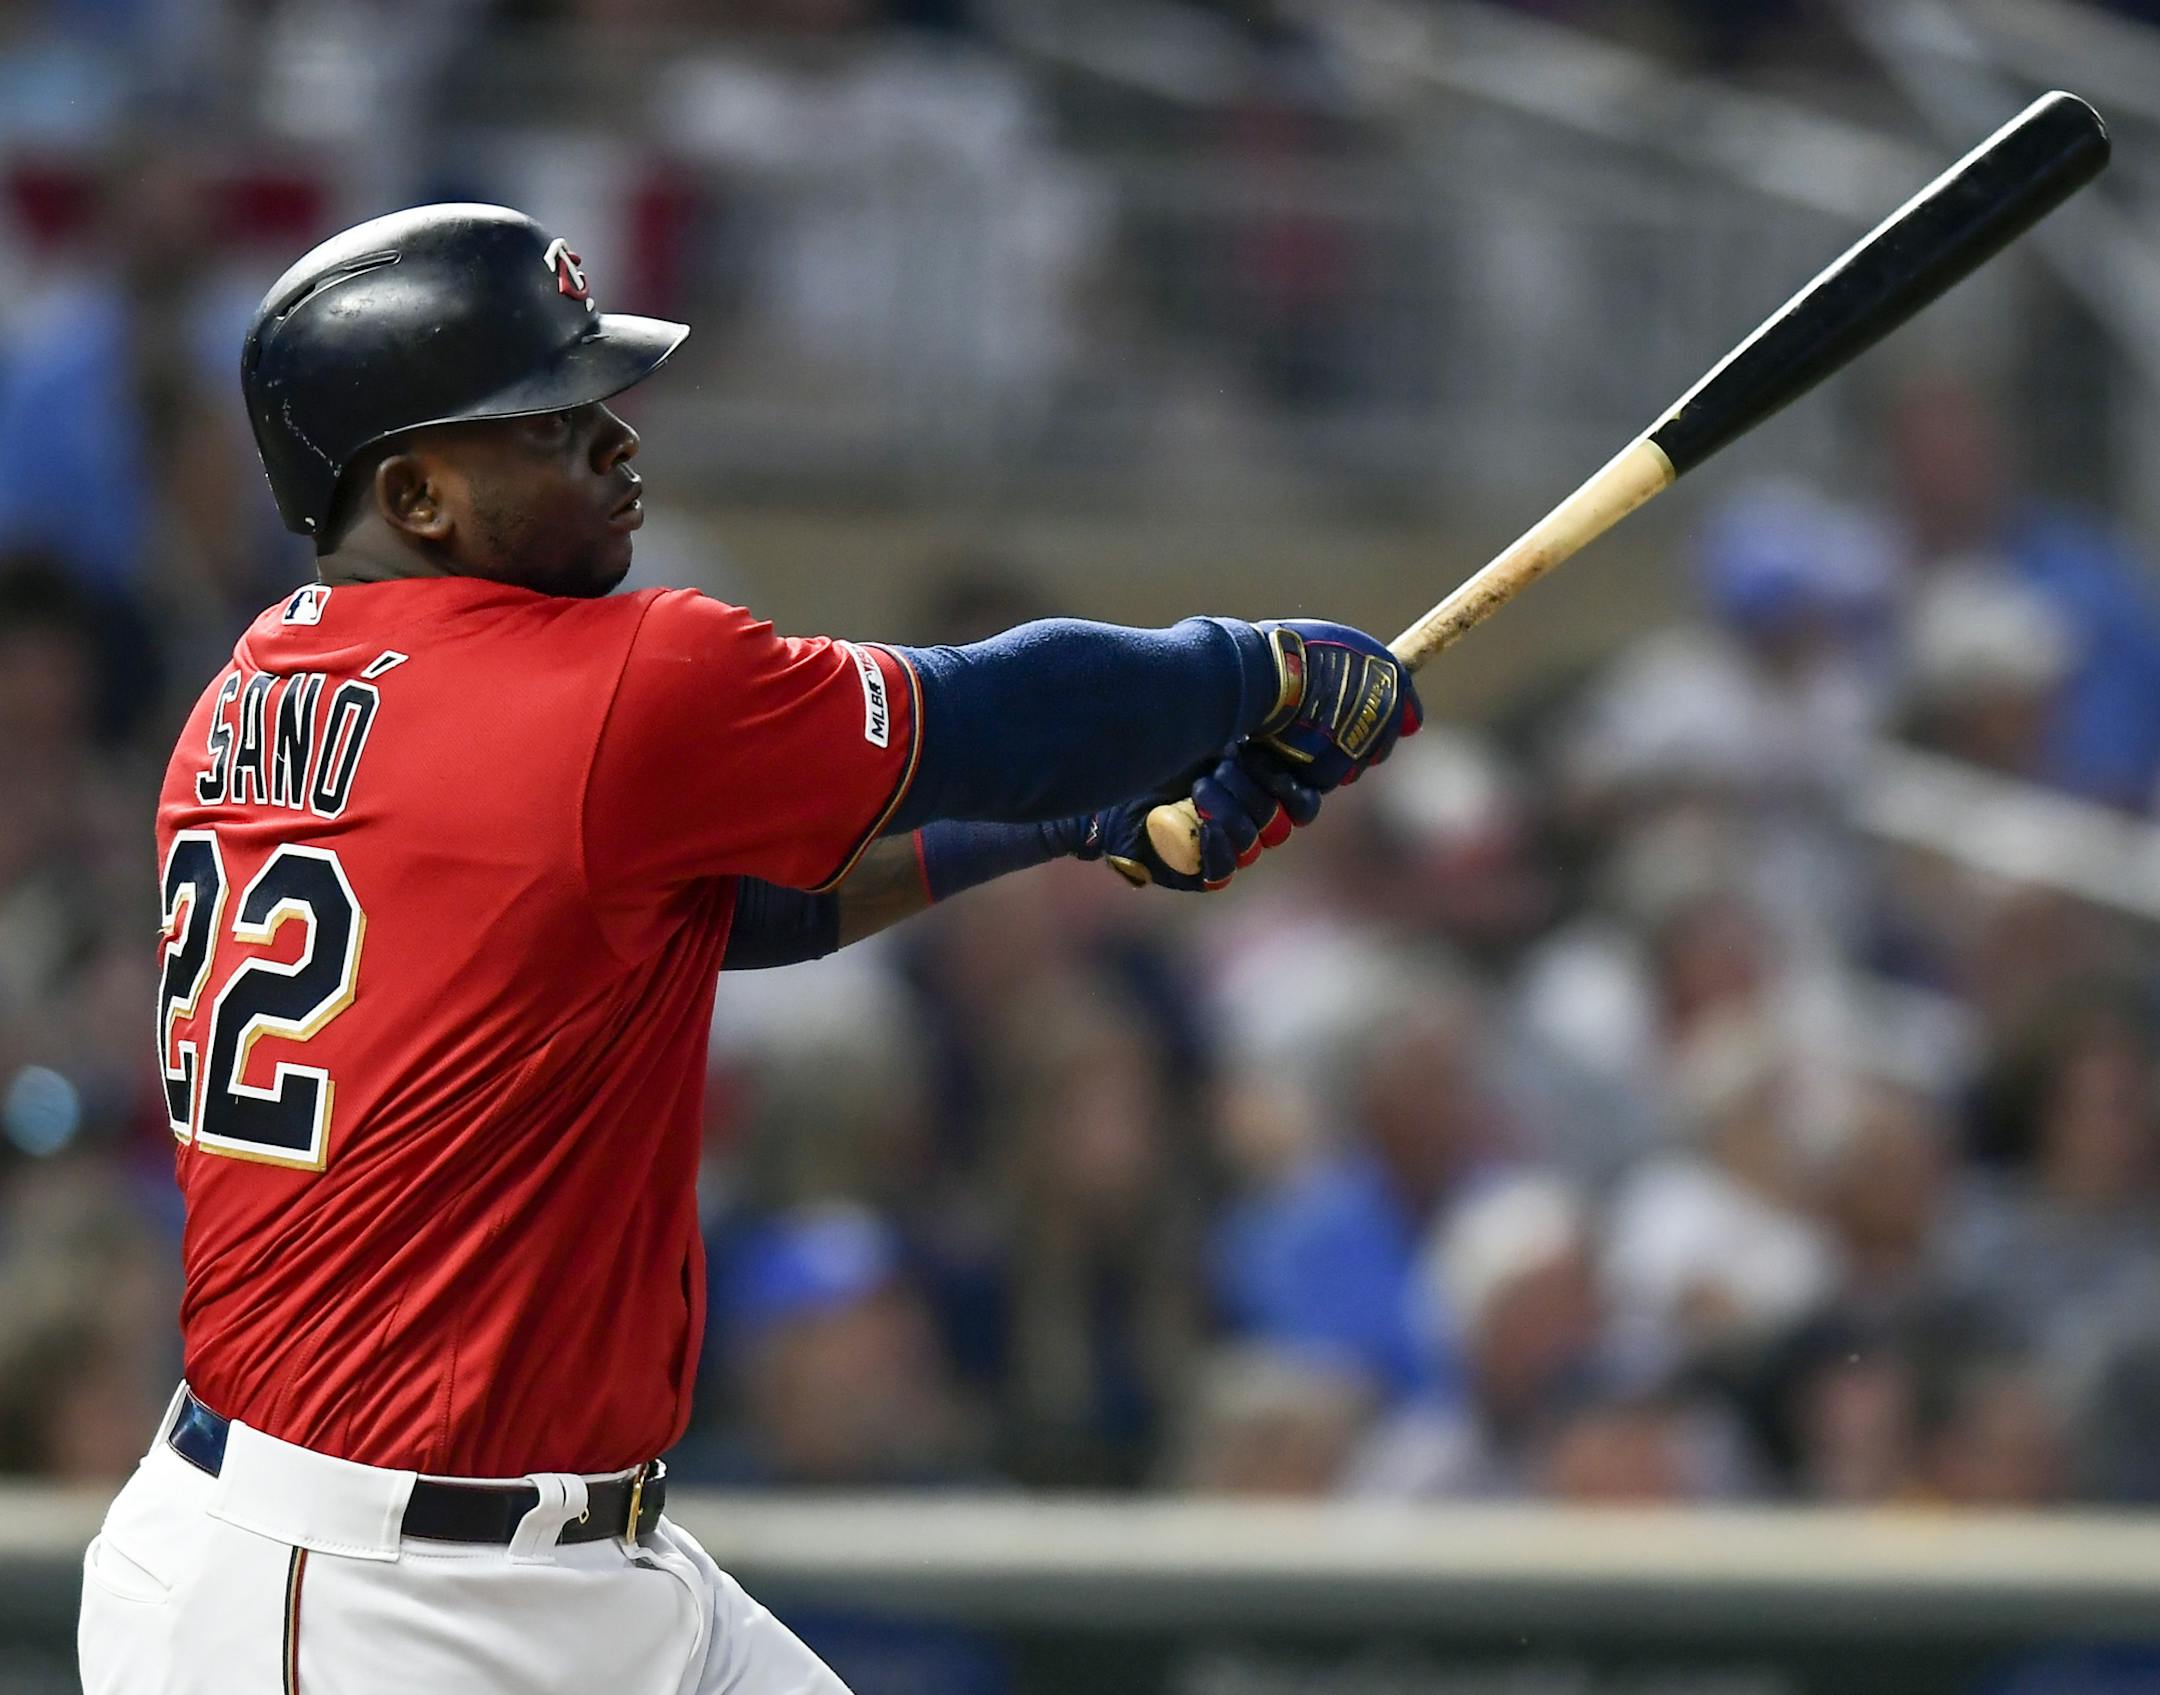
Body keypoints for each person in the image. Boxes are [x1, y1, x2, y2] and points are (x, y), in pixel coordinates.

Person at [78, 203, 1420, 1694]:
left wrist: (1074, 822)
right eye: (554, 420)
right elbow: (993, 715)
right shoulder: (612, 681)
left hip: (526, 1556)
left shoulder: (248, 693)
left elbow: (720, 910)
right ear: (416, 491)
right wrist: (1255, 670)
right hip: (359, 1603)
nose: (618, 443)